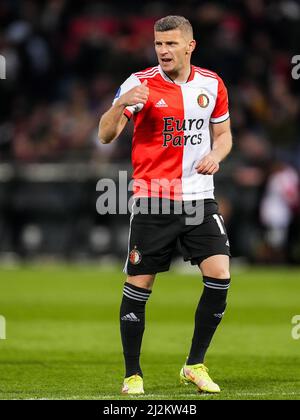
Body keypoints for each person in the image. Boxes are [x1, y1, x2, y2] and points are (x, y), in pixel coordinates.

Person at [99, 15, 232, 395]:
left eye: (171, 44)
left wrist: (217, 155)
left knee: (220, 275)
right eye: (159, 44)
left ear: (190, 46)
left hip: (199, 199)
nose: (163, 50)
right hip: (154, 199)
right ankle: (132, 374)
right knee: (139, 286)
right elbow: (106, 136)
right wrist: (121, 103)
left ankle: (194, 364)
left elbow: (222, 135)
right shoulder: (138, 84)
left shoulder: (212, 83)